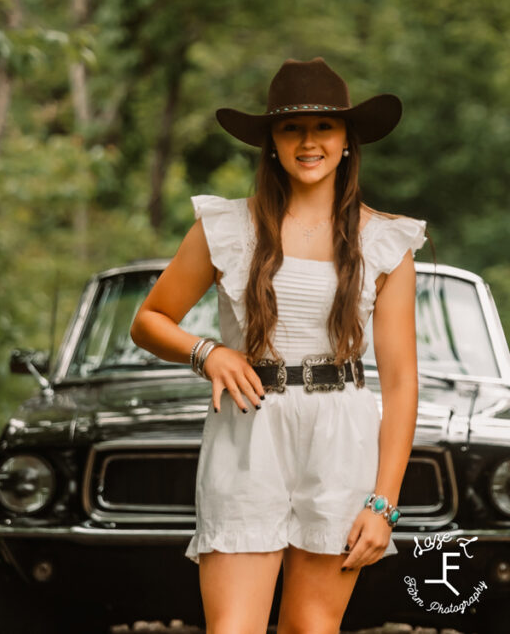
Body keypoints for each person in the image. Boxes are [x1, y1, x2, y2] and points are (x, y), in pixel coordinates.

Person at [130, 57, 426, 633]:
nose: (308, 142)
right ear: (271, 142)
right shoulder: (226, 228)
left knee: (310, 628)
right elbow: (150, 319)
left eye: (324, 127)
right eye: (292, 128)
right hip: (249, 430)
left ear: (347, 141)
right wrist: (208, 352)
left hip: (341, 437)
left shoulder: (385, 242)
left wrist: (383, 503)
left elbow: (401, 382)